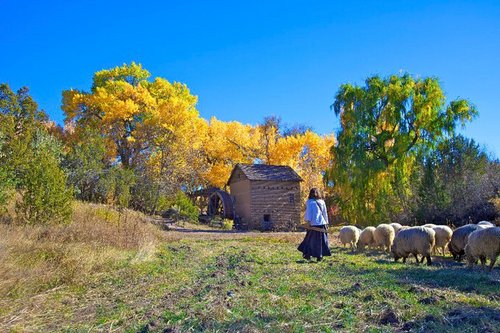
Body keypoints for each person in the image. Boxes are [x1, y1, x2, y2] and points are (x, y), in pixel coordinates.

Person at [297, 188, 331, 262]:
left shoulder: (309, 202)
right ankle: (320, 256)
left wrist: (308, 222)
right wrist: (326, 223)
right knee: (321, 241)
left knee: (311, 241)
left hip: (314, 224)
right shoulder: (322, 202)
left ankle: (308, 255)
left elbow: (309, 213)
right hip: (322, 224)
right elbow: (325, 213)